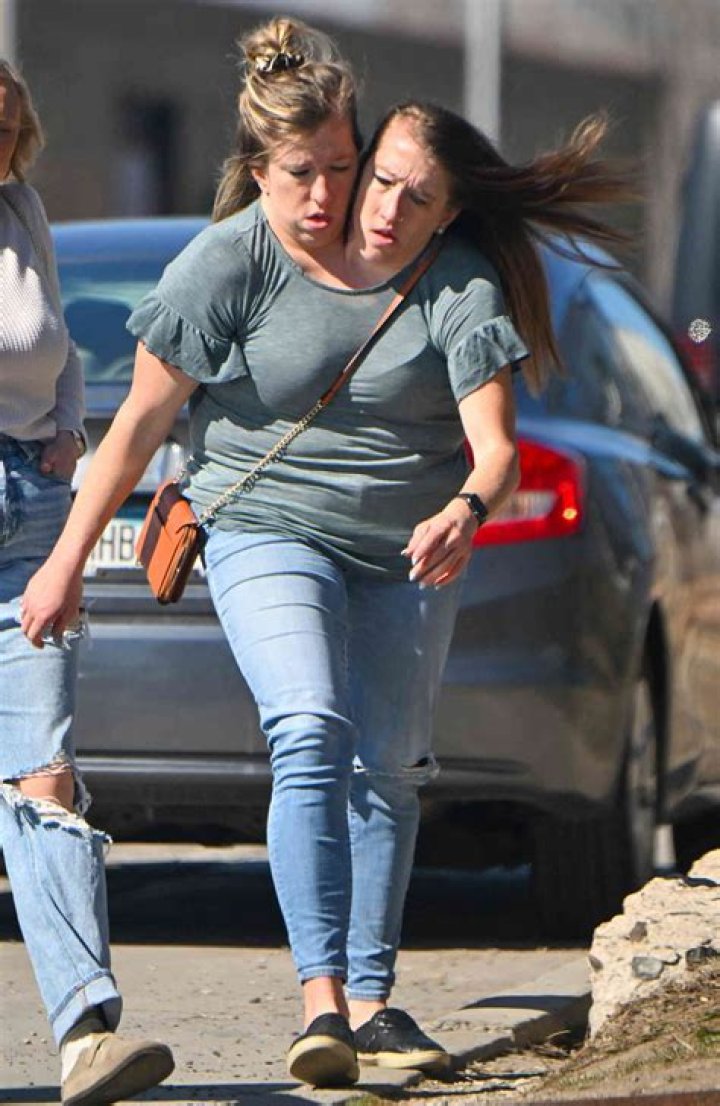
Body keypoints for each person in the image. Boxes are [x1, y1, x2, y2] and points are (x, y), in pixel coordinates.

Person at [20, 18, 632, 1089]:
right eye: (313, 173)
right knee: (309, 726)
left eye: (350, 171)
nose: (343, 197)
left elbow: (496, 451)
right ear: (260, 167)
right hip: (266, 528)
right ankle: (323, 1005)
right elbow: (134, 432)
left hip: (406, 545)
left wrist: (467, 509)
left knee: (390, 766)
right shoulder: (232, 262)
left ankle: (375, 998)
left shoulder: (452, 280)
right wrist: (65, 561)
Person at [0, 60, 174, 1106]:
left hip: (31, 514)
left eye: (4, 130)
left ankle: (87, 1037)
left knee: (46, 773)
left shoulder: (23, 212)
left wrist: (67, 426)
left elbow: (57, 342)